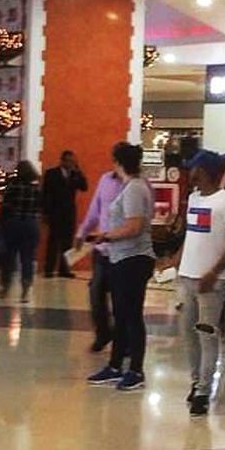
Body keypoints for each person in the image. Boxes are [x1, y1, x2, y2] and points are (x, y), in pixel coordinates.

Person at [175, 150, 225, 417]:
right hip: (187, 277)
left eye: (193, 168)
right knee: (188, 335)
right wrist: (176, 260)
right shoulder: (193, 199)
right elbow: (191, 236)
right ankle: (195, 381)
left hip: (210, 283)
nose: (189, 173)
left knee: (207, 335)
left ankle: (204, 390)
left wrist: (214, 272)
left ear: (203, 171)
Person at [87, 143, 155, 391]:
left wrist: (106, 235)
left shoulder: (135, 188)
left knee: (132, 316)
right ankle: (115, 365)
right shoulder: (131, 186)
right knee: (122, 315)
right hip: (122, 258)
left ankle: (135, 369)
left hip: (133, 259)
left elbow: (134, 226)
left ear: (118, 162)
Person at [76, 154, 127, 352]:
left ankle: (122, 338)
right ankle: (103, 333)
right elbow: (95, 210)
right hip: (101, 250)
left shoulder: (136, 185)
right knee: (96, 293)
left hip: (123, 250)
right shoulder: (105, 180)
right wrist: (82, 232)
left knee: (120, 297)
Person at [0, 161, 42, 302]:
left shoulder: (12, 187)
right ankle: (25, 290)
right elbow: (40, 207)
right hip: (31, 224)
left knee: (9, 256)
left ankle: (5, 287)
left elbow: (5, 206)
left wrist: (1, 223)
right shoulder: (36, 189)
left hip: (14, 223)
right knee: (27, 257)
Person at [42, 150, 87, 277]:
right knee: (53, 241)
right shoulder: (51, 174)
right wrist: (46, 213)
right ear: (62, 161)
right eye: (68, 161)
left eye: (73, 161)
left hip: (69, 212)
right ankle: (49, 269)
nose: (70, 164)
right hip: (55, 212)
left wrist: (78, 171)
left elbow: (84, 187)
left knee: (67, 242)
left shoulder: (74, 175)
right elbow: (45, 194)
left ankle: (64, 269)